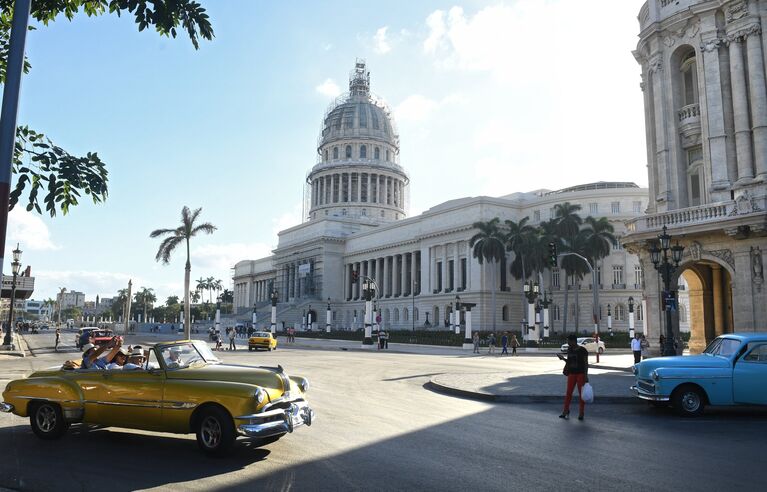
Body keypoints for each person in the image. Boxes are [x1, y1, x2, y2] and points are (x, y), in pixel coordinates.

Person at [558, 333, 589, 420]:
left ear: (573, 341)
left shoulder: (583, 350)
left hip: (580, 374)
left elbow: (586, 364)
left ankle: (581, 413)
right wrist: (563, 359)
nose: (567, 343)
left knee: (581, 394)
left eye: (568, 341)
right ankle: (565, 411)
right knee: (568, 393)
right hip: (571, 373)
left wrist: (586, 375)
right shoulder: (570, 349)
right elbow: (569, 362)